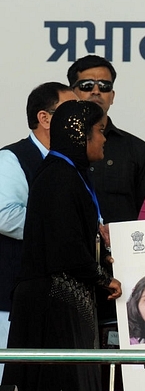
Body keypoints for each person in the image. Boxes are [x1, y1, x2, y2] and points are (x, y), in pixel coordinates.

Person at [2, 100, 123, 391]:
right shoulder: (58, 176)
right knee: (59, 380)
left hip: (62, 298)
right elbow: (65, 247)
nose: (104, 139)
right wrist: (103, 279)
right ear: (80, 134)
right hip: (51, 305)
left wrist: (102, 257)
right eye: (99, 131)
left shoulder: (71, 174)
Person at [67, 55, 145, 389]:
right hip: (67, 279)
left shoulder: (136, 151)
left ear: (113, 95)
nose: (96, 92)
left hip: (121, 281)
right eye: (86, 85)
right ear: (71, 90)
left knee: (124, 374)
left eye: (104, 86)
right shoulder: (55, 153)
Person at [0, 82, 77, 380]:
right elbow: (5, 216)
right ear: (45, 119)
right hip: (12, 300)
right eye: (70, 112)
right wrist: (62, 231)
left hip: (58, 301)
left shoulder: (74, 162)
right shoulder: (12, 159)